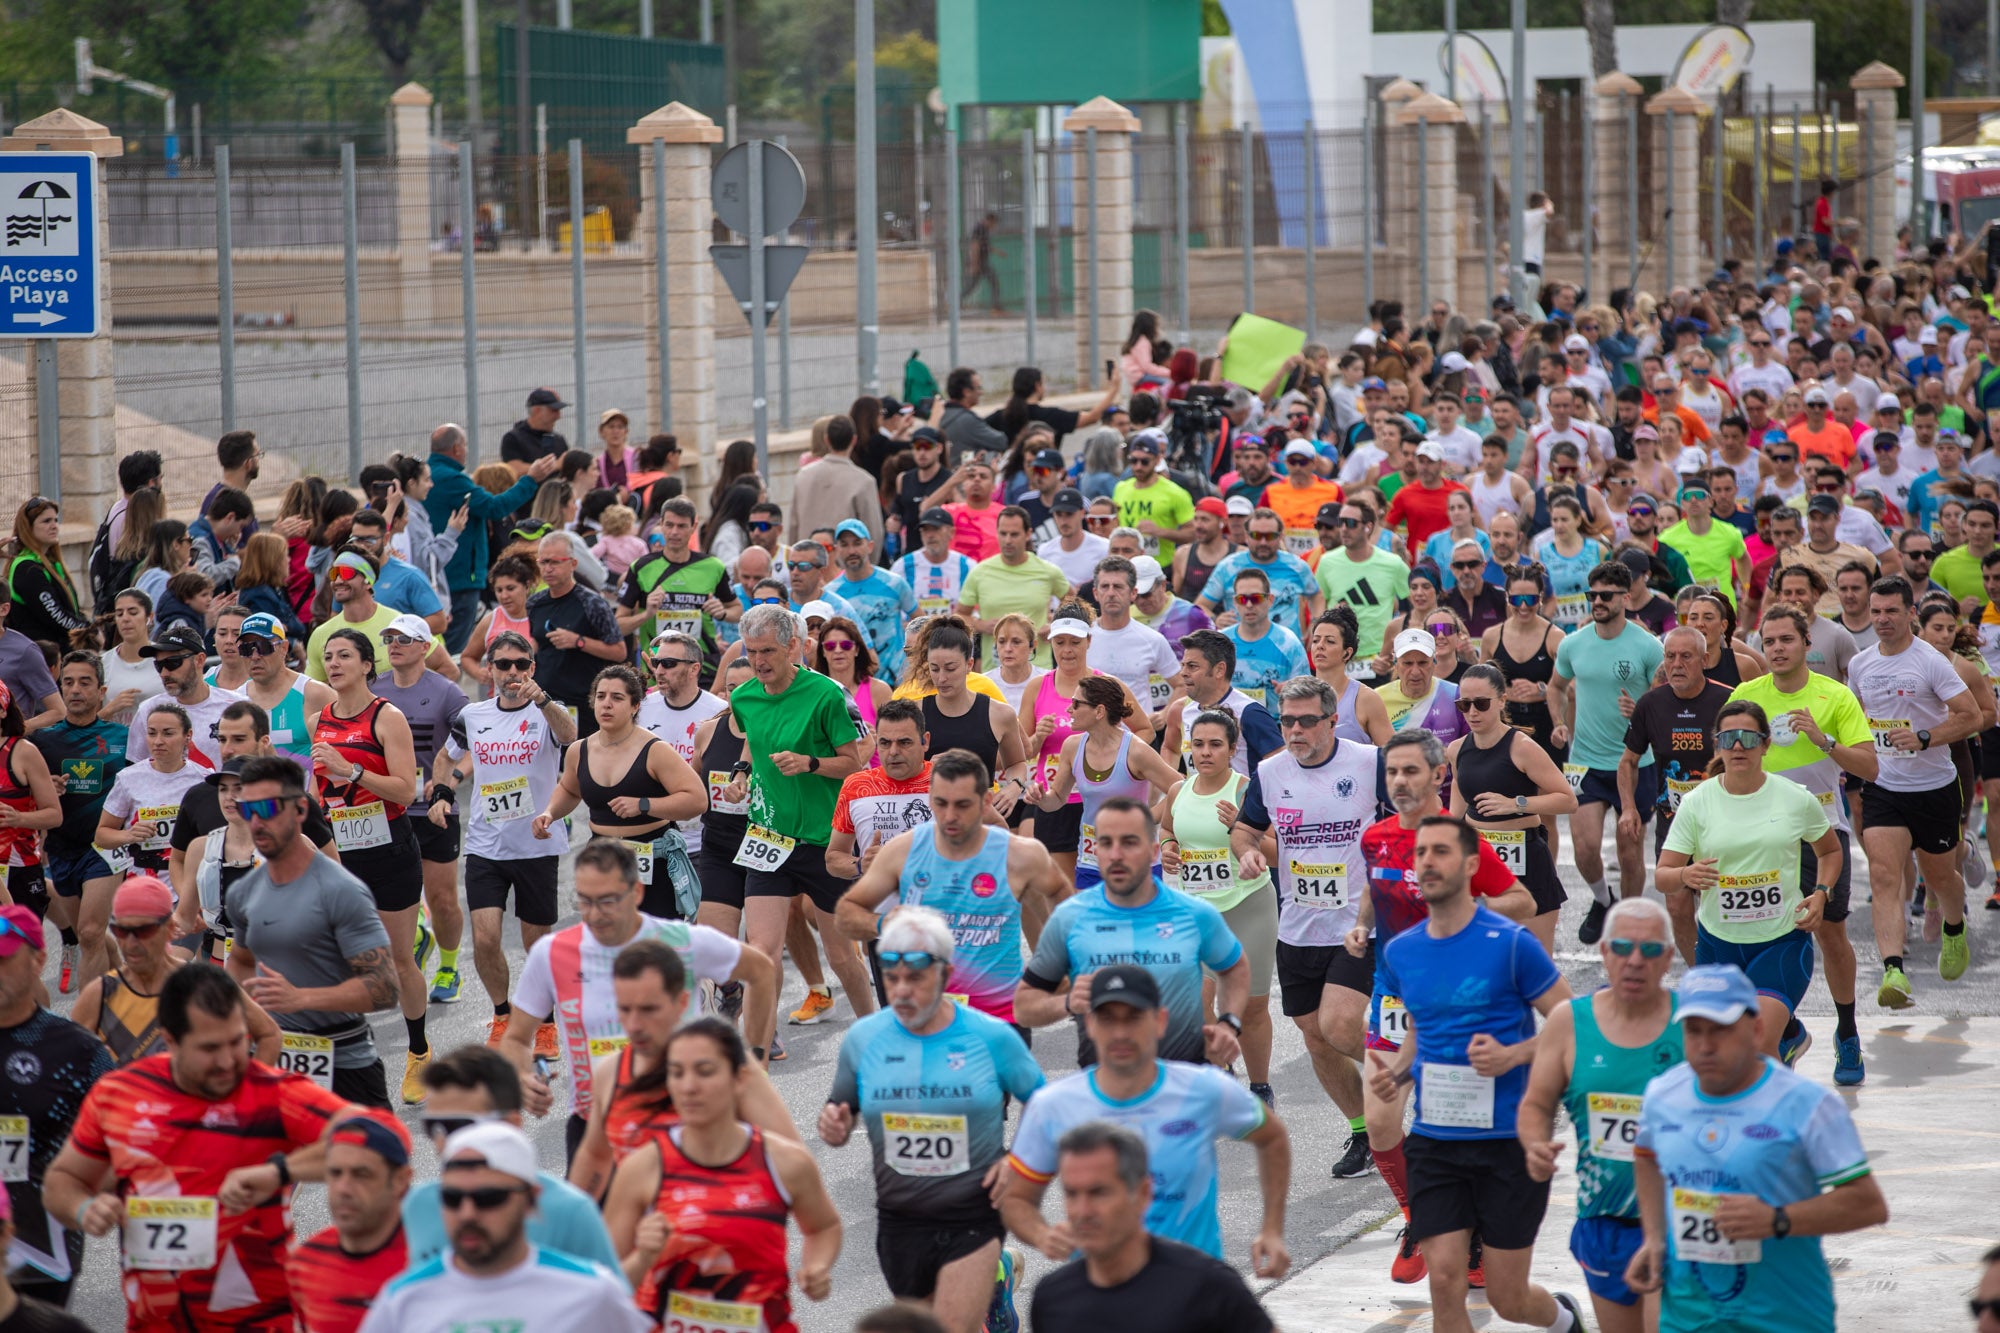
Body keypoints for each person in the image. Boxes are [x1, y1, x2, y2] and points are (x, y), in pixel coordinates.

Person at [1365, 815, 1584, 1333]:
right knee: (1445, 1282)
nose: (1427, 863)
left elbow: (1572, 1022)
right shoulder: (1402, 951)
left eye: (1441, 852)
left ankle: (1562, 1320)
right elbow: (1421, 1027)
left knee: (1508, 1298)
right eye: (1420, 853)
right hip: (1436, 1144)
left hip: (1507, 1141)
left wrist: (1513, 1056)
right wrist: (1397, 1074)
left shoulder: (1510, 943)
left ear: (1470, 866)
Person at [43, 965, 350, 1332]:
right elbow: (62, 1180)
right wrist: (84, 1208)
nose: (227, 1061)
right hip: (154, 1321)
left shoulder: (271, 1091)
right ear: (170, 1040)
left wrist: (281, 1171)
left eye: (238, 1042)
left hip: (258, 1322)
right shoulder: (120, 1093)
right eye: (209, 1048)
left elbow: (377, 1137)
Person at [1348, 731, 1537, 1284]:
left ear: (1437, 776)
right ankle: (1421, 1219)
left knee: (1458, 1125)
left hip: (1457, 1002)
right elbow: (1373, 892)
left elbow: (1521, 901)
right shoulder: (1375, 837)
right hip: (1394, 998)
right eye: (1392, 773)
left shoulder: (1459, 841)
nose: (1400, 782)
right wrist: (1360, 927)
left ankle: (1471, 1230)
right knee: (1382, 1121)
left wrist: (1466, 909)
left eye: (1411, 772)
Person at [1624, 965, 1889, 1330]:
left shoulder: (1807, 1105)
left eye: (1720, 1030)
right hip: (1688, 1317)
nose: (1705, 1045)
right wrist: (1654, 1237)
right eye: (1694, 1031)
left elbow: (1869, 1204)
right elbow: (1646, 1157)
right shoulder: (1662, 1095)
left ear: (1757, 1029)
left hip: (1783, 1318)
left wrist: (1776, 1219)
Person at [819, 907, 1043, 1333]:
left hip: (972, 1214)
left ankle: (986, 1280)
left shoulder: (992, 1036)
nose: (902, 990)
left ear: (945, 973)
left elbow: (1047, 1107)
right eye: (891, 977)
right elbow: (841, 1109)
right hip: (900, 1218)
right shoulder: (864, 1039)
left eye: (916, 978)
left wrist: (1020, 1163)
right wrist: (835, 1124)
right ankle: (1000, 1277)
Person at [1004, 964, 1290, 1274]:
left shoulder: (1204, 1089)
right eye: (1107, 1019)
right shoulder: (1053, 1105)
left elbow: (1272, 1137)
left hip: (1194, 1287)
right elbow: (1016, 1198)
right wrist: (1042, 1235)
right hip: (1099, 1290)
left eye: (1134, 1018)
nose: (1121, 1032)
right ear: (1089, 1025)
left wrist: (1272, 1229)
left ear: (1160, 1021)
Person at [500, 837, 773, 1160]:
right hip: (596, 1128)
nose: (594, 914)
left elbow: (762, 971)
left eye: (608, 901)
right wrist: (522, 1078)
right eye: (584, 901)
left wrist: (755, 1058)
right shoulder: (552, 953)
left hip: (680, 1124)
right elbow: (516, 1038)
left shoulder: (680, 941)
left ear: (637, 892)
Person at [1229, 675, 1385, 1180]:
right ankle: (1365, 1131)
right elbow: (1246, 828)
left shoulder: (1367, 763)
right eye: (1286, 720)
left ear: (1331, 720)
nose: (1294, 730)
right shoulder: (1270, 772)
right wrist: (1249, 851)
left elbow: (1412, 815)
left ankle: (1420, 1075)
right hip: (1297, 926)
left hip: (1357, 923)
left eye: (1305, 721)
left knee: (1341, 1024)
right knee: (1316, 1037)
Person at [605, 1019, 841, 1330]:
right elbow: (604, 1286)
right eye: (677, 1073)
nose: (689, 1086)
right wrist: (642, 1258)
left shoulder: (785, 1161)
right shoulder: (642, 1169)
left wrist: (818, 1266)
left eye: (705, 1071)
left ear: (739, 1079)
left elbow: (824, 1226)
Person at [1517, 898, 1684, 1333]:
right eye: (1623, 948)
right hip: (1604, 1220)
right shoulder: (1569, 1022)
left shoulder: (1693, 1025)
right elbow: (1537, 1103)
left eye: (1649, 951)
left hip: (1680, 1221)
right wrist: (1535, 1144)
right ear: (1604, 952)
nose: (1634, 961)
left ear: (1667, 957)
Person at [1730, 603, 1877, 1085]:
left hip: (1820, 831)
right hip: (1758, 833)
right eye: (1768, 641)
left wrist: (1823, 739)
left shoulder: (1834, 696)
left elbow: (1869, 768)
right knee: (1764, 931)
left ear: (1806, 645)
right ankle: (1786, 1029)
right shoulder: (1748, 696)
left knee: (1829, 933)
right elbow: (1726, 755)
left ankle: (1848, 1031)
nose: (1776, 649)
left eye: (1785, 640)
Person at [1656, 699, 1842, 1061]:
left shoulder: (1794, 799)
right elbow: (1663, 876)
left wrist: (1821, 893)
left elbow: (1831, 852)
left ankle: (1775, 1066)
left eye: (1747, 737)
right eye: (1728, 738)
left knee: (1757, 1046)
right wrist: (1685, 874)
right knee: (1715, 1051)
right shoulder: (1696, 802)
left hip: (1782, 941)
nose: (1738, 746)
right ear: (1717, 746)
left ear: (1766, 744)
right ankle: (1789, 1036)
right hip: (1717, 944)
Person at [223, 754, 399, 1111]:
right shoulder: (243, 893)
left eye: (269, 807)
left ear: (301, 809)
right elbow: (240, 962)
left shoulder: (341, 891)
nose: (257, 821)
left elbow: (384, 989)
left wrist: (302, 999)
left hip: (344, 1063)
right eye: (248, 810)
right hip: (273, 1059)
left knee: (367, 1165)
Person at [364, 1120, 648, 1333]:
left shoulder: (594, 1294)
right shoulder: (400, 1301)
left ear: (531, 1200)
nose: (467, 1213)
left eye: (489, 1198)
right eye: (451, 1198)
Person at [1847, 576, 1984, 1007]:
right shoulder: (1861, 664)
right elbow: (1859, 720)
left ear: (1911, 614)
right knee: (1886, 876)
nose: (1882, 619)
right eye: (1876, 611)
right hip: (1884, 785)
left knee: (1941, 876)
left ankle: (1955, 925)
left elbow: (1973, 716)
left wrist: (1925, 737)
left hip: (1934, 787)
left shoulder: (1931, 662)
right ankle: (1894, 970)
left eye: (1891, 611)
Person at [432, 630, 576, 1036]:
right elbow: (446, 756)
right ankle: (502, 1013)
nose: (512, 672)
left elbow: (569, 737)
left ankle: (545, 1019)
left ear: (532, 668)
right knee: (486, 938)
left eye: (521, 664)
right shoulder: (473, 715)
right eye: (503, 664)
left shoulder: (549, 711)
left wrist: (542, 699)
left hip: (536, 844)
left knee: (535, 944)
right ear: (489, 670)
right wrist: (443, 793)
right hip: (485, 845)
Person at [308, 629, 432, 1101]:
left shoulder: (387, 716)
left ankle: (418, 1050)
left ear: (366, 665)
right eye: (329, 656)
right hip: (340, 852)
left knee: (399, 961)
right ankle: (350, 1059)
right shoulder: (319, 718)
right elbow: (318, 787)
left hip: (390, 850)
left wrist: (351, 770)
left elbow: (406, 790)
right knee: (342, 962)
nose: (334, 663)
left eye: (345, 656)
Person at [1025, 1121, 1276, 1333]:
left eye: (1099, 1192)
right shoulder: (1052, 1299)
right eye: (1071, 1194)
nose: (1083, 1211)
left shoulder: (1208, 1287)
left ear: (1143, 1193)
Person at [402, 1046, 621, 1274]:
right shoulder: (419, 1205)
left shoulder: (570, 1212)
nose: (442, 1141)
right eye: (432, 1127)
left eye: (458, 1126)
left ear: (512, 1123)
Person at [1159, 709, 1279, 1098]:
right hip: (1197, 913)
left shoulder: (1247, 791)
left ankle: (1260, 1086)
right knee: (1192, 1001)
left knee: (1253, 1007)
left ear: (1232, 749)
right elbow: (1166, 829)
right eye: (1198, 745)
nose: (1205, 753)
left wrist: (1238, 830)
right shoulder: (1179, 790)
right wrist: (1167, 848)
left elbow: (1278, 853)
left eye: (1215, 745)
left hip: (1248, 905)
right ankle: (1221, 1071)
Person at [0, 902, 111, 1310]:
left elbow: (119, 1132)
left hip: (41, 1249)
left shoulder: (76, 1049)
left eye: (3, 959)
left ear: (38, 960)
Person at [534, 664, 704, 922]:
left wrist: (644, 805)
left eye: (617, 698)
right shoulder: (580, 750)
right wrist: (549, 813)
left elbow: (697, 799)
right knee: (606, 944)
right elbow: (569, 789)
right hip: (603, 856)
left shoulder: (655, 750)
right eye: (601, 697)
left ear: (635, 706)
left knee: (654, 948)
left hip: (651, 858)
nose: (607, 704)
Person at [1551, 560, 1665, 942]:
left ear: (1626, 597)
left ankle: (1628, 924)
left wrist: (1642, 712)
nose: (1596, 601)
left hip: (1634, 762)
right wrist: (1558, 722)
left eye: (1605, 595)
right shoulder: (1573, 643)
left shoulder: (1647, 646)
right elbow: (1555, 686)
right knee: (1584, 848)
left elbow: (1662, 698)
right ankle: (1603, 900)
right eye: (1592, 595)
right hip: (1584, 760)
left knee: (1629, 852)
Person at [71, 872, 282, 1065]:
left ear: (170, 928)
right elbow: (70, 1069)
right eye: (121, 931)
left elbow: (269, 1034)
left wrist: (246, 1099)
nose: (131, 943)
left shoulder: (205, 983)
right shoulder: (99, 996)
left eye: (144, 931)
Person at [369, 614, 468, 1003]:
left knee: (443, 898)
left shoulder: (447, 692)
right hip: (387, 809)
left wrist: (446, 781)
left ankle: (449, 965)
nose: (394, 644)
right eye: (389, 638)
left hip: (433, 809)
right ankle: (416, 940)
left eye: (404, 639)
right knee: (391, 896)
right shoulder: (373, 689)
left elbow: (473, 746)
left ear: (425, 647)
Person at [1616, 626, 1733, 953]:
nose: (1677, 664)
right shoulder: (1650, 704)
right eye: (1670, 657)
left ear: (1705, 659)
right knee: (1678, 907)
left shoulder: (1729, 700)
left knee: (1721, 906)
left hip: (1722, 819)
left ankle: (1730, 974)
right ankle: (1700, 977)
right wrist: (1628, 808)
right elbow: (1628, 762)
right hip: (1675, 821)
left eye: (1686, 656)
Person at [1448, 663, 1578, 951]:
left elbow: (1568, 800)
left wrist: (1516, 803)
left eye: (1481, 704)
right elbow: (1457, 807)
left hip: (1526, 856)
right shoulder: (1456, 749)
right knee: (1481, 958)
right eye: (1464, 704)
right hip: (1480, 860)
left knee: (1535, 963)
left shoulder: (1522, 747)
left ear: (1502, 701)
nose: (1472, 712)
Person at [1029, 677, 1180, 893]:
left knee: (1138, 924)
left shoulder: (1135, 750)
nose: (1069, 710)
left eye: (1076, 703)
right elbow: (1057, 800)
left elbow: (1181, 789)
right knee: (1093, 924)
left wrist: (1146, 818)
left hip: (1137, 857)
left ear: (1099, 711)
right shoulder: (1072, 746)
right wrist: (1041, 798)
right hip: (1092, 858)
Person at [34, 652, 127, 992]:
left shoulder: (124, 737)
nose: (75, 690)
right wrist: (46, 789)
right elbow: (23, 787)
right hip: (61, 849)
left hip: (104, 847)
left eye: (85, 682)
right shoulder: (43, 741)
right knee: (94, 937)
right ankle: (130, 995)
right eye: (68, 682)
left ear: (101, 691)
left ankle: (90, 1026)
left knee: (89, 932)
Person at [286, 1112, 413, 1333]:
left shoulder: (433, 1262)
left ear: (401, 1180)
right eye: (335, 1173)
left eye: (361, 1174)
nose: (343, 1189)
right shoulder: (305, 1262)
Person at [613, 496, 738, 678]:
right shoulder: (641, 568)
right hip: (657, 670)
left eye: (681, 526)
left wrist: (723, 613)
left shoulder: (713, 567)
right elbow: (618, 626)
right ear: (661, 524)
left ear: (693, 527)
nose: (674, 532)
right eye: (669, 525)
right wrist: (646, 614)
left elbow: (737, 610)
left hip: (702, 668)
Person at [523, 531, 624, 734]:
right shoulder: (534, 603)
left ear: (573, 564)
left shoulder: (592, 603)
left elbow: (619, 651)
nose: (548, 569)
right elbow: (536, 641)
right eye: (543, 562)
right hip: (545, 699)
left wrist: (578, 641)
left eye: (555, 562)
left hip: (582, 701)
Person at [96, 699, 202, 892]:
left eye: (168, 733)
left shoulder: (203, 779)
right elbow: (102, 836)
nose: (158, 741)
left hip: (190, 885)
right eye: (152, 733)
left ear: (188, 736)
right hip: (143, 886)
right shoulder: (129, 778)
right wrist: (128, 835)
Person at [955, 507, 1071, 669]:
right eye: (1003, 534)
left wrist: (1056, 625)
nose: (1008, 540)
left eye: (1014, 534)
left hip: (1038, 669)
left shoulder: (1048, 571)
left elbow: (1076, 605)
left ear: (1028, 534)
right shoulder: (980, 571)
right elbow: (960, 614)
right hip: (995, 670)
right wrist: (981, 625)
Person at [125, 624, 244, 770]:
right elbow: (136, 769)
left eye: (173, 663)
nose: (164, 673)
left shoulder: (236, 706)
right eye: (159, 665)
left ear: (199, 660)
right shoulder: (148, 710)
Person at [232, 611, 333, 781]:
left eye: (264, 647)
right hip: (261, 802)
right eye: (246, 649)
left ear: (284, 648)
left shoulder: (313, 693)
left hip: (307, 802)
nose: (255, 656)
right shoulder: (236, 700)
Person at [1316, 499, 1412, 672]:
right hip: (1337, 656)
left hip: (1378, 658)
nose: (1344, 528)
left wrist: (1393, 647)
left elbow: (1411, 608)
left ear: (1368, 527)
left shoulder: (1393, 564)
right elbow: (1319, 602)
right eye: (1341, 522)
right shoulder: (1326, 562)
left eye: (1351, 523)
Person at [1195, 509, 1322, 638]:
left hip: (1285, 650)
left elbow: (1316, 595)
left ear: (1280, 536)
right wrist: (1215, 619)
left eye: (1269, 536)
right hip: (1240, 651)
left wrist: (1315, 625)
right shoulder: (1228, 567)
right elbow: (1200, 606)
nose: (1263, 542)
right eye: (1256, 535)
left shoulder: (1297, 566)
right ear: (1246, 536)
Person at [5, 496, 87, 649]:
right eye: (46, 521)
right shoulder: (27, 568)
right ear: (28, 528)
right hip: (41, 658)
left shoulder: (51, 563)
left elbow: (70, 610)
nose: (54, 526)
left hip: (58, 653)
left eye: (56, 520)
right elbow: (56, 616)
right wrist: (88, 630)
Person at [1114, 432, 1197, 567]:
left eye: (1145, 461)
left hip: (1161, 568)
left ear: (1158, 460)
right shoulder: (1121, 488)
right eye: (1134, 461)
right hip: (1126, 567)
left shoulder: (1175, 492)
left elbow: (1193, 533)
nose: (1138, 467)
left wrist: (1160, 531)